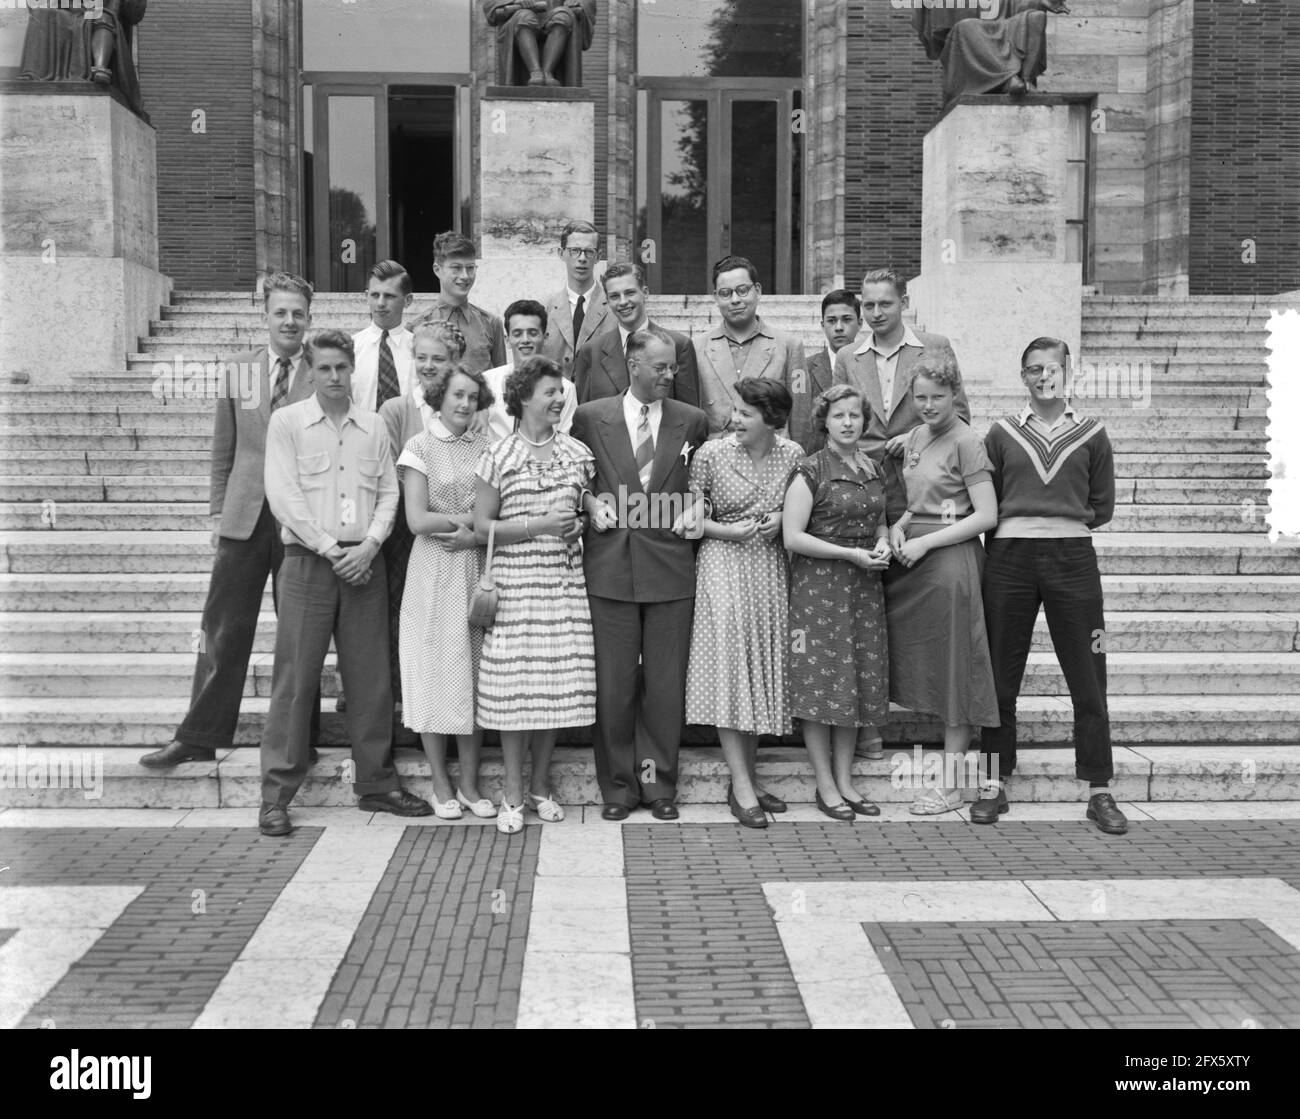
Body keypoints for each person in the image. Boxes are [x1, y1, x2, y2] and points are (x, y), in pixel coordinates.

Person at [139, 272, 320, 770]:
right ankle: (199, 734)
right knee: (222, 629)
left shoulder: (320, 371)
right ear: (265, 316)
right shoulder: (240, 369)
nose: (289, 321)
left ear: (310, 319)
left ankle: (301, 738)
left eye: (298, 313)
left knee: (299, 632)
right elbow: (225, 448)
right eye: (280, 312)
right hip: (244, 518)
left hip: (299, 522)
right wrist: (217, 511)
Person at [259, 330, 432, 835]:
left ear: (352, 369)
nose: (335, 377)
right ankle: (276, 795)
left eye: (342, 368)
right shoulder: (287, 423)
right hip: (309, 563)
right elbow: (283, 495)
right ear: (310, 371)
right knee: (295, 681)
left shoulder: (373, 425)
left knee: (371, 679)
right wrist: (330, 548)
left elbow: (387, 493)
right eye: (326, 368)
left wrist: (372, 545)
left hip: (364, 563)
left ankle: (377, 785)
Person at [976, 338, 1126, 835]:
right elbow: (987, 500)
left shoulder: (1092, 434)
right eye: (1034, 369)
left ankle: (1099, 788)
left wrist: (1060, 524)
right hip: (1010, 556)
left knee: (1088, 673)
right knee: (1000, 673)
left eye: (1053, 369)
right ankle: (993, 782)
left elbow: (1101, 505)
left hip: (1072, 555)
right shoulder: (1001, 433)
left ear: (1069, 373)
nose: (1045, 377)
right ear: (1022, 376)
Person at [573, 328, 711, 821]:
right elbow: (573, 477)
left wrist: (700, 506)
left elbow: (703, 482)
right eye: (660, 367)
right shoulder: (591, 418)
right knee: (614, 684)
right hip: (610, 565)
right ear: (633, 365)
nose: (669, 375)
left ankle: (657, 785)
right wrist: (589, 504)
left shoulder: (691, 420)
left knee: (664, 683)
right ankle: (617, 788)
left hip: (671, 565)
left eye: (673, 367)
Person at [473, 356, 597, 834]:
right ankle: (510, 793)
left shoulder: (578, 454)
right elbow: (482, 526)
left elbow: (586, 512)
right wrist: (537, 526)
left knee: (554, 694)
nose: (558, 399)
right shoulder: (498, 456)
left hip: (563, 588)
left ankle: (541, 786)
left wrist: (581, 523)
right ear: (524, 398)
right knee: (513, 696)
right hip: (514, 588)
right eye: (549, 392)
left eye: (560, 392)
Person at [685, 380, 804, 829]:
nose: (735, 420)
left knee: (757, 669)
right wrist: (726, 531)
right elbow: (690, 521)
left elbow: (801, 507)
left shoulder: (792, 454)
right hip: (724, 566)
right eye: (735, 410)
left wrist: (780, 518)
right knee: (731, 672)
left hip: (770, 569)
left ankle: (748, 779)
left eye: (746, 413)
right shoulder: (710, 455)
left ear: (772, 419)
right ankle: (740, 786)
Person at [885, 354, 999, 815]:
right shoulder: (913, 436)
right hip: (914, 556)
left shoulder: (967, 441)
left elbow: (986, 515)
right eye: (921, 397)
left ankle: (951, 783)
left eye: (938, 397)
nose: (929, 405)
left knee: (956, 669)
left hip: (951, 561)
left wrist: (926, 541)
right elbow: (921, 497)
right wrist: (900, 524)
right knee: (925, 659)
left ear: (955, 396)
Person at [783, 385, 892, 820]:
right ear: (823, 422)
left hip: (864, 589)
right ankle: (825, 785)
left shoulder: (873, 467)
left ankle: (846, 780)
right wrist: (849, 553)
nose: (848, 423)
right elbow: (793, 536)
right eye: (839, 416)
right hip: (820, 589)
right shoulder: (810, 470)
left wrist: (882, 544)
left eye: (855, 415)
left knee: (856, 682)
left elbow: (880, 520)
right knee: (820, 684)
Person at [398, 361, 497, 820]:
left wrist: (476, 529)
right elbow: (417, 520)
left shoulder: (487, 445)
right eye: (457, 395)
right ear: (439, 397)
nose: (465, 404)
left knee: (475, 675)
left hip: (476, 567)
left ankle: (471, 784)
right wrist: (469, 523)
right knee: (436, 674)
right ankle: (441, 783)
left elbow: (494, 513)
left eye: (472, 397)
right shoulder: (419, 447)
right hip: (434, 571)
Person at [833, 268, 971, 527]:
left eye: (885, 304)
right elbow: (836, 420)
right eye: (869, 305)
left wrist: (915, 436)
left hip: (922, 480)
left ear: (904, 303)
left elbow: (960, 415)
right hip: (864, 481)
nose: (876, 313)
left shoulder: (935, 346)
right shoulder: (847, 356)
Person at [351, 260, 416, 731]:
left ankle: (405, 680)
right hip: (363, 482)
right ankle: (362, 684)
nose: (380, 304)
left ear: (406, 300)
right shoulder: (352, 350)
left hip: (412, 479)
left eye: (389, 296)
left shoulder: (420, 350)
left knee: (405, 588)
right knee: (365, 592)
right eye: (374, 295)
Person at [695, 255, 805, 439]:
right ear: (715, 297)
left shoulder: (789, 346)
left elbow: (800, 416)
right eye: (725, 293)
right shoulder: (696, 348)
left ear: (758, 290)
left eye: (743, 290)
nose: (735, 299)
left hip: (774, 457)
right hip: (715, 460)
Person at [573, 262, 701, 409]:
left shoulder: (679, 345)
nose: (623, 302)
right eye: (614, 296)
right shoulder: (591, 351)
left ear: (645, 292)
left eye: (630, 293)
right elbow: (585, 416)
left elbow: (690, 416)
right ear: (607, 301)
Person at [913, 0, 1070, 106]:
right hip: (971, 30)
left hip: (1005, 27)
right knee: (965, 27)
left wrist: (1040, 2)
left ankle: (1026, 81)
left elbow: (1019, 5)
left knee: (1037, 16)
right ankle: (1009, 80)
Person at [482, 300, 577, 443]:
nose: (525, 340)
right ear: (507, 340)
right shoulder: (487, 382)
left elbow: (565, 440)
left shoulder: (565, 388)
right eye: (518, 334)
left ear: (545, 338)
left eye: (532, 333)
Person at [417, 231, 507, 377]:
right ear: (437, 270)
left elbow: (500, 380)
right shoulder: (419, 325)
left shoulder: (491, 324)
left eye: (470, 268)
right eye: (456, 268)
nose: (465, 276)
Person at [792, 289, 863, 455]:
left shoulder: (871, 366)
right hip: (817, 458)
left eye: (846, 320)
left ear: (860, 323)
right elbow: (798, 420)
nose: (839, 327)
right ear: (822, 325)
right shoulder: (804, 368)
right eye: (831, 321)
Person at [542, 219, 612, 380]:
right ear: (561, 254)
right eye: (574, 250)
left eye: (589, 252)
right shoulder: (545, 308)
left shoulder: (613, 308)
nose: (582, 258)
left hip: (597, 401)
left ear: (598, 257)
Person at [481, 0, 596, 88]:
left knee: (563, 17)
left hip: (554, 14)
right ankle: (535, 71)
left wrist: (577, 3)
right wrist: (516, 2)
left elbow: (586, 2)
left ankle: (547, 72)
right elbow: (491, 8)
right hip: (519, 18)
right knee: (524, 17)